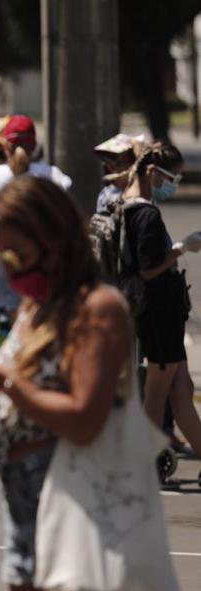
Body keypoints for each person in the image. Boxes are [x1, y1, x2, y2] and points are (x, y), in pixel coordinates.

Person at [0, 176, 131, 591]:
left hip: (72, 501)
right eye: (2, 255)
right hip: (22, 500)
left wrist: (1, 379)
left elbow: (83, 419)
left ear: (54, 240)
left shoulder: (97, 309)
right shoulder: (34, 308)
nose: (8, 268)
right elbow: (24, 399)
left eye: (16, 254)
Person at [119, 143, 201, 455]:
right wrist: (182, 248)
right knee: (157, 393)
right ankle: (145, 461)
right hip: (158, 314)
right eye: (171, 178)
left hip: (154, 314)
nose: (172, 185)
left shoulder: (126, 205)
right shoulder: (146, 214)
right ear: (152, 172)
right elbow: (149, 269)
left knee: (182, 391)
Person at [0, 115, 71, 319]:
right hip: (48, 266)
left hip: (7, 268)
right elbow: (68, 229)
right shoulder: (55, 178)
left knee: (17, 337)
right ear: (34, 145)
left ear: (5, 145)